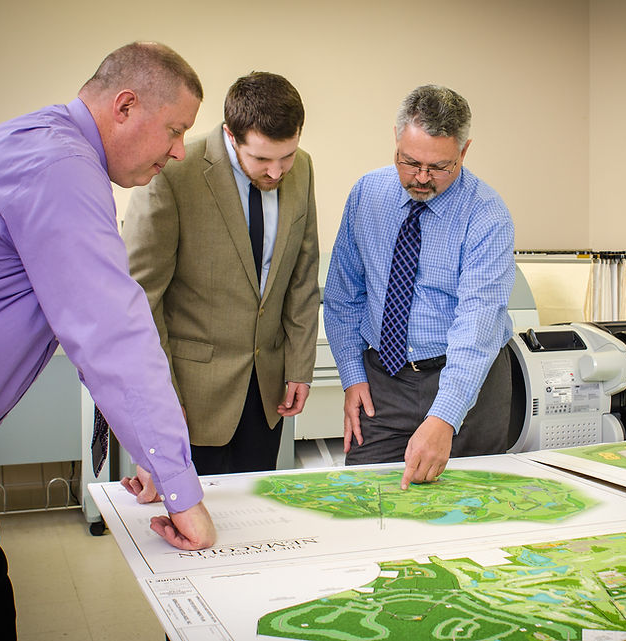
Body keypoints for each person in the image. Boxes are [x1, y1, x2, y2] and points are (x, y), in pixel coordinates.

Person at [0, 42, 216, 638]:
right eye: (175, 130)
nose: (179, 152)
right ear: (126, 106)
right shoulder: (58, 165)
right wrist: (183, 495)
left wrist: (152, 449)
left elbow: (85, 327)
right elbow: (112, 332)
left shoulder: (51, 149)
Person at [123, 72, 319, 475]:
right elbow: (142, 297)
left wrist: (300, 366)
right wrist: (159, 398)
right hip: (191, 395)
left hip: (267, 393)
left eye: (286, 156)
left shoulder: (302, 168)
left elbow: (302, 275)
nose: (278, 172)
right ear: (231, 135)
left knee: (254, 517)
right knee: (193, 527)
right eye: (262, 159)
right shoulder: (173, 174)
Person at [323, 84, 515, 491]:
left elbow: (476, 328)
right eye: (410, 162)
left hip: (469, 383)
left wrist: (445, 416)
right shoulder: (367, 195)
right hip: (385, 380)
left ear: (464, 152)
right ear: (395, 137)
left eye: (440, 167)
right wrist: (353, 376)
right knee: (364, 498)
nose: (422, 178)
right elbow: (343, 295)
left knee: (467, 509)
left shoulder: (487, 216)